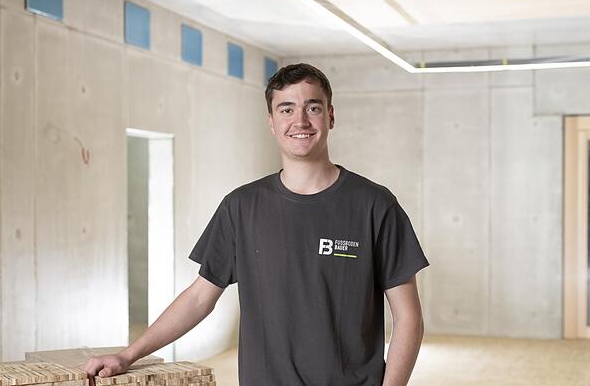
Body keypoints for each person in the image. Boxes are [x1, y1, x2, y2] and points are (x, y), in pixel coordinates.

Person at [84, 63, 429, 386]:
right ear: (271, 122)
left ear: (331, 115)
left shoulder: (374, 205)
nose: (301, 120)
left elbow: (409, 318)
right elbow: (199, 299)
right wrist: (129, 354)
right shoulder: (242, 206)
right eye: (287, 109)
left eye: (313, 107)